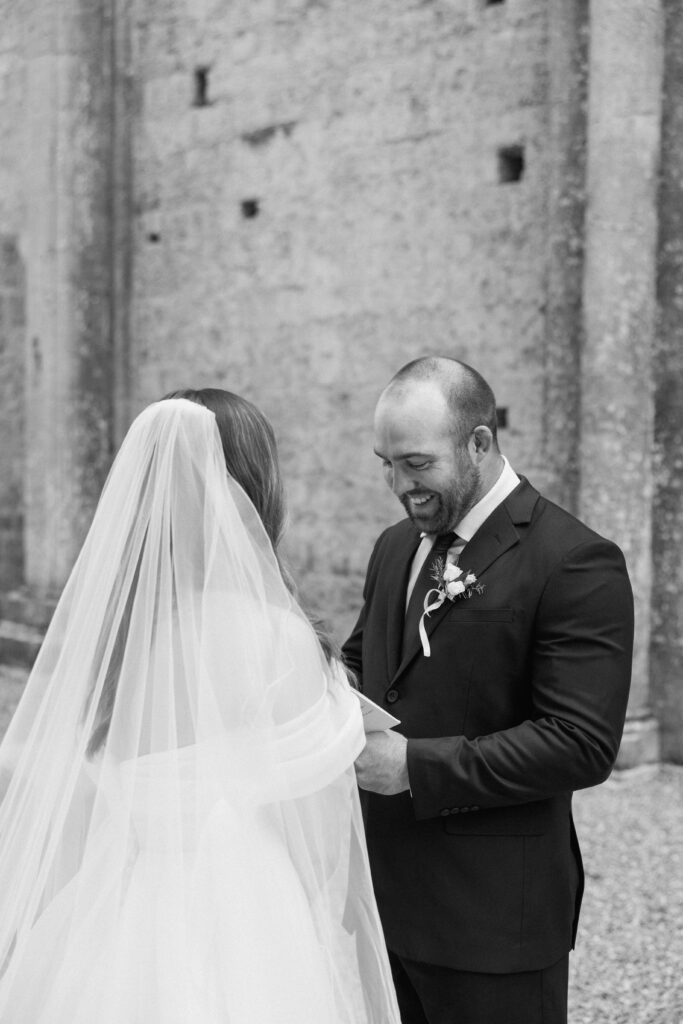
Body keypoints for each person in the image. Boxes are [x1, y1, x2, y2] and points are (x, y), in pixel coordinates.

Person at [0, 389, 400, 1024]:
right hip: (247, 909)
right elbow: (318, 832)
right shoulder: (277, 637)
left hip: (126, 900)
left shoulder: (117, 633)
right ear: (254, 490)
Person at [342, 357, 634, 1024]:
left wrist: (412, 766)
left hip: (492, 920)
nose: (399, 486)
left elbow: (580, 744)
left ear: (479, 442)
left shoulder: (574, 559)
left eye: (417, 463)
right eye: (386, 464)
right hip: (380, 902)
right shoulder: (394, 546)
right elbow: (367, 662)